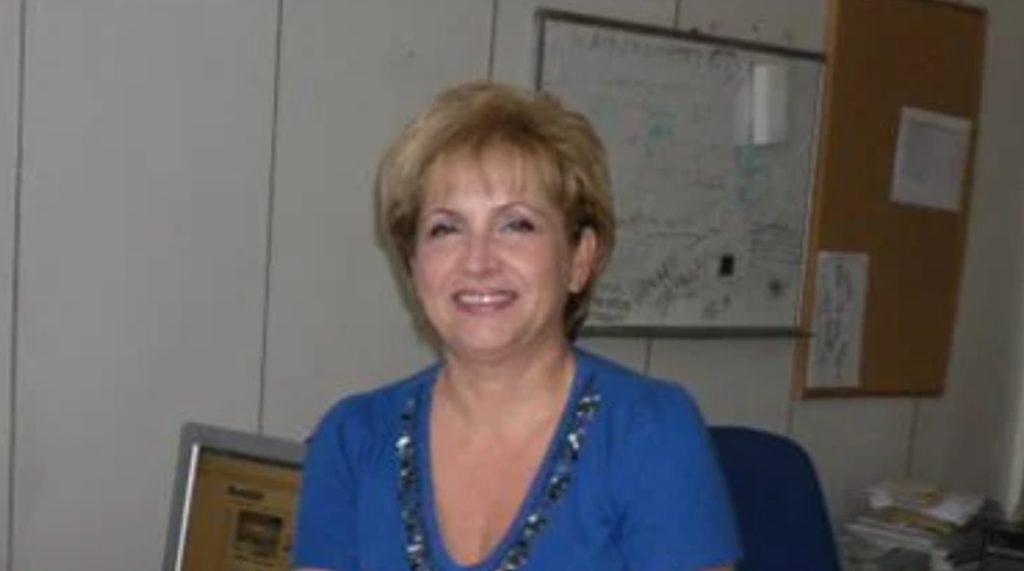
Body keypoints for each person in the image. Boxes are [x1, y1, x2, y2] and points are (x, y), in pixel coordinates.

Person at [293, 82, 741, 571]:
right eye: (446, 228)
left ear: (580, 259)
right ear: (413, 264)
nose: (478, 262)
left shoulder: (648, 432)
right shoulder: (353, 440)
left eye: (516, 225)